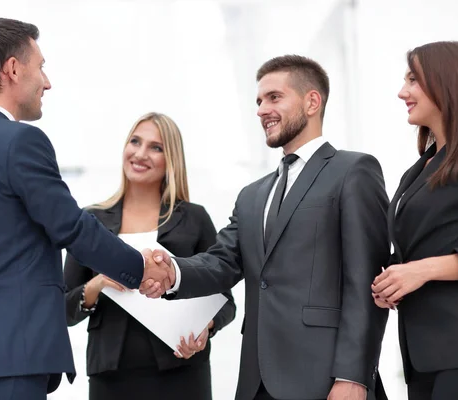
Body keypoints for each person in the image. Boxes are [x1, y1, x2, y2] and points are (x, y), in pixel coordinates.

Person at [0, 18, 172, 400]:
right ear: (12, 69)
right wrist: (140, 270)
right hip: (15, 360)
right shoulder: (20, 142)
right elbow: (71, 228)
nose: (47, 81)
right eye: (41, 67)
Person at [145, 55, 390, 400]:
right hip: (256, 380)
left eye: (274, 97)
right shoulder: (252, 195)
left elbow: (366, 282)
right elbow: (222, 261)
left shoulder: (354, 171)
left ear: (312, 102)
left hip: (326, 379)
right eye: (259, 101)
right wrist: (171, 272)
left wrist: (353, 375)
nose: (261, 110)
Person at [64, 112, 236, 400]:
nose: (141, 153)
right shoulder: (91, 222)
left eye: (156, 147)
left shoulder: (193, 218)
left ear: (171, 160)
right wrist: (98, 284)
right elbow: (62, 308)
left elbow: (225, 302)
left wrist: (206, 328)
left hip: (182, 372)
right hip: (111, 377)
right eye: (135, 141)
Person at [372, 41, 458, 400]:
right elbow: (424, 242)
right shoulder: (423, 165)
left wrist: (421, 271)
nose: (401, 92)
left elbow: (428, 259)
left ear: (446, 81)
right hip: (423, 353)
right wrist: (391, 278)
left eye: (413, 79)